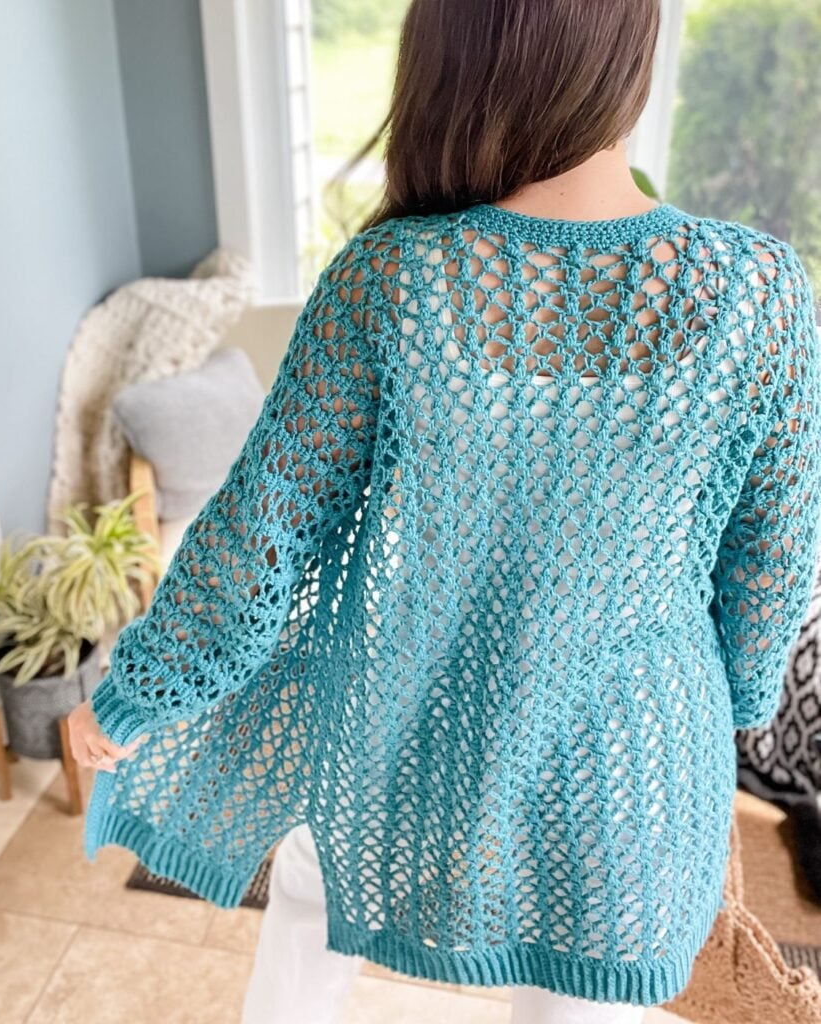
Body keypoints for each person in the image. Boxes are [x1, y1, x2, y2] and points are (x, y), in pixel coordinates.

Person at [68, 1, 821, 1022]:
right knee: (576, 1000)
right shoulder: (761, 290)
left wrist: (123, 698)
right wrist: (716, 715)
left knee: (306, 891)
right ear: (626, 56)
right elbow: (769, 578)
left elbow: (257, 544)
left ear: (455, 60)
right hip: (636, 761)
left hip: (415, 715)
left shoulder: (386, 279)